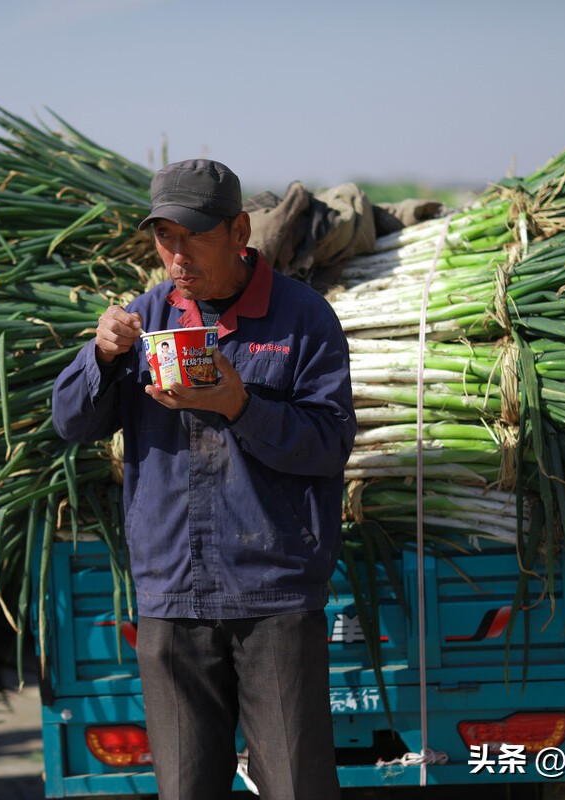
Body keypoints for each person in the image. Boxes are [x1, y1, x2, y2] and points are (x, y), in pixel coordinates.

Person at [52, 158, 356, 800]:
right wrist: (100, 356)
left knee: (297, 787)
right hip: (173, 595)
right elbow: (70, 422)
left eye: (193, 234)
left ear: (240, 230)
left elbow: (329, 445)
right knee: (186, 789)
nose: (176, 253)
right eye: (165, 236)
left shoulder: (303, 320)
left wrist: (240, 406)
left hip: (272, 595)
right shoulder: (143, 319)